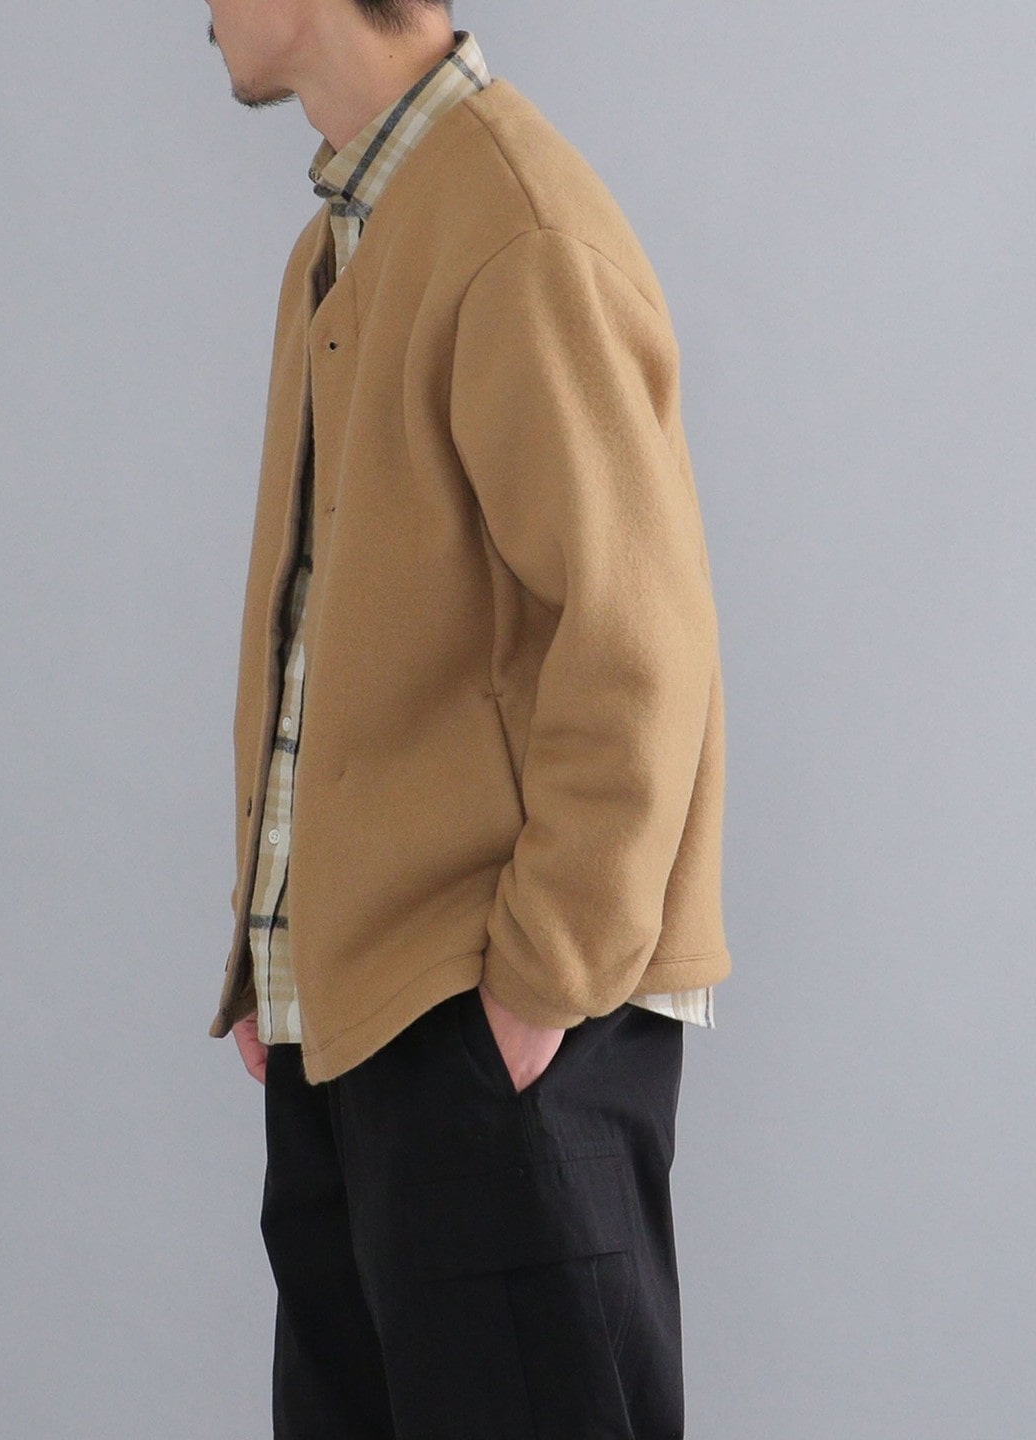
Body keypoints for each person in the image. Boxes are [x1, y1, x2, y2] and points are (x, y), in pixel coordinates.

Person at [204, 3, 730, 1435]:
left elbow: (639, 642)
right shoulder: (345, 243)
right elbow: (337, 630)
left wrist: (540, 983)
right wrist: (283, 946)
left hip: (488, 1024)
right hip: (358, 1023)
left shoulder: (512, 224)